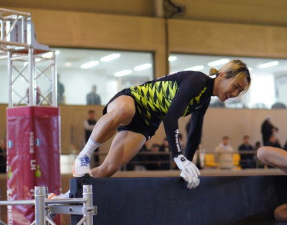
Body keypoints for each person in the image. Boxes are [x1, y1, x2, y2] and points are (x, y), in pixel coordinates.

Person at [73, 59, 251, 189]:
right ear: (222, 75)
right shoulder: (198, 81)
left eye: (240, 91)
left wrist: (186, 166)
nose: (235, 94)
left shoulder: (203, 100)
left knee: (109, 168)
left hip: (147, 122)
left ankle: (68, 195)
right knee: (123, 111)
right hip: (134, 99)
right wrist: (178, 156)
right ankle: (84, 155)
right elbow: (171, 116)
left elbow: (195, 132)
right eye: (235, 86)